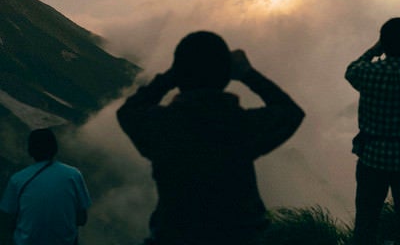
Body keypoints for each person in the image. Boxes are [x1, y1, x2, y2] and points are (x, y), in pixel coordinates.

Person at [117, 31, 305, 245]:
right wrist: (247, 73)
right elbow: (291, 113)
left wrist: (172, 75)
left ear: (180, 76)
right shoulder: (239, 125)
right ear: (226, 75)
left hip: (174, 237)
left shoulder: (162, 126)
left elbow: (128, 111)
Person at [345, 18, 400, 245]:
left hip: (371, 158)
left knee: (366, 223)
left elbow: (351, 70)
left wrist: (374, 50)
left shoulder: (368, 73)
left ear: (383, 44)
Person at [0, 128, 91, 245]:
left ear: (30, 150)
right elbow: (82, 219)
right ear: (54, 148)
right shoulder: (73, 175)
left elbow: (7, 220)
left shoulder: (17, 179)